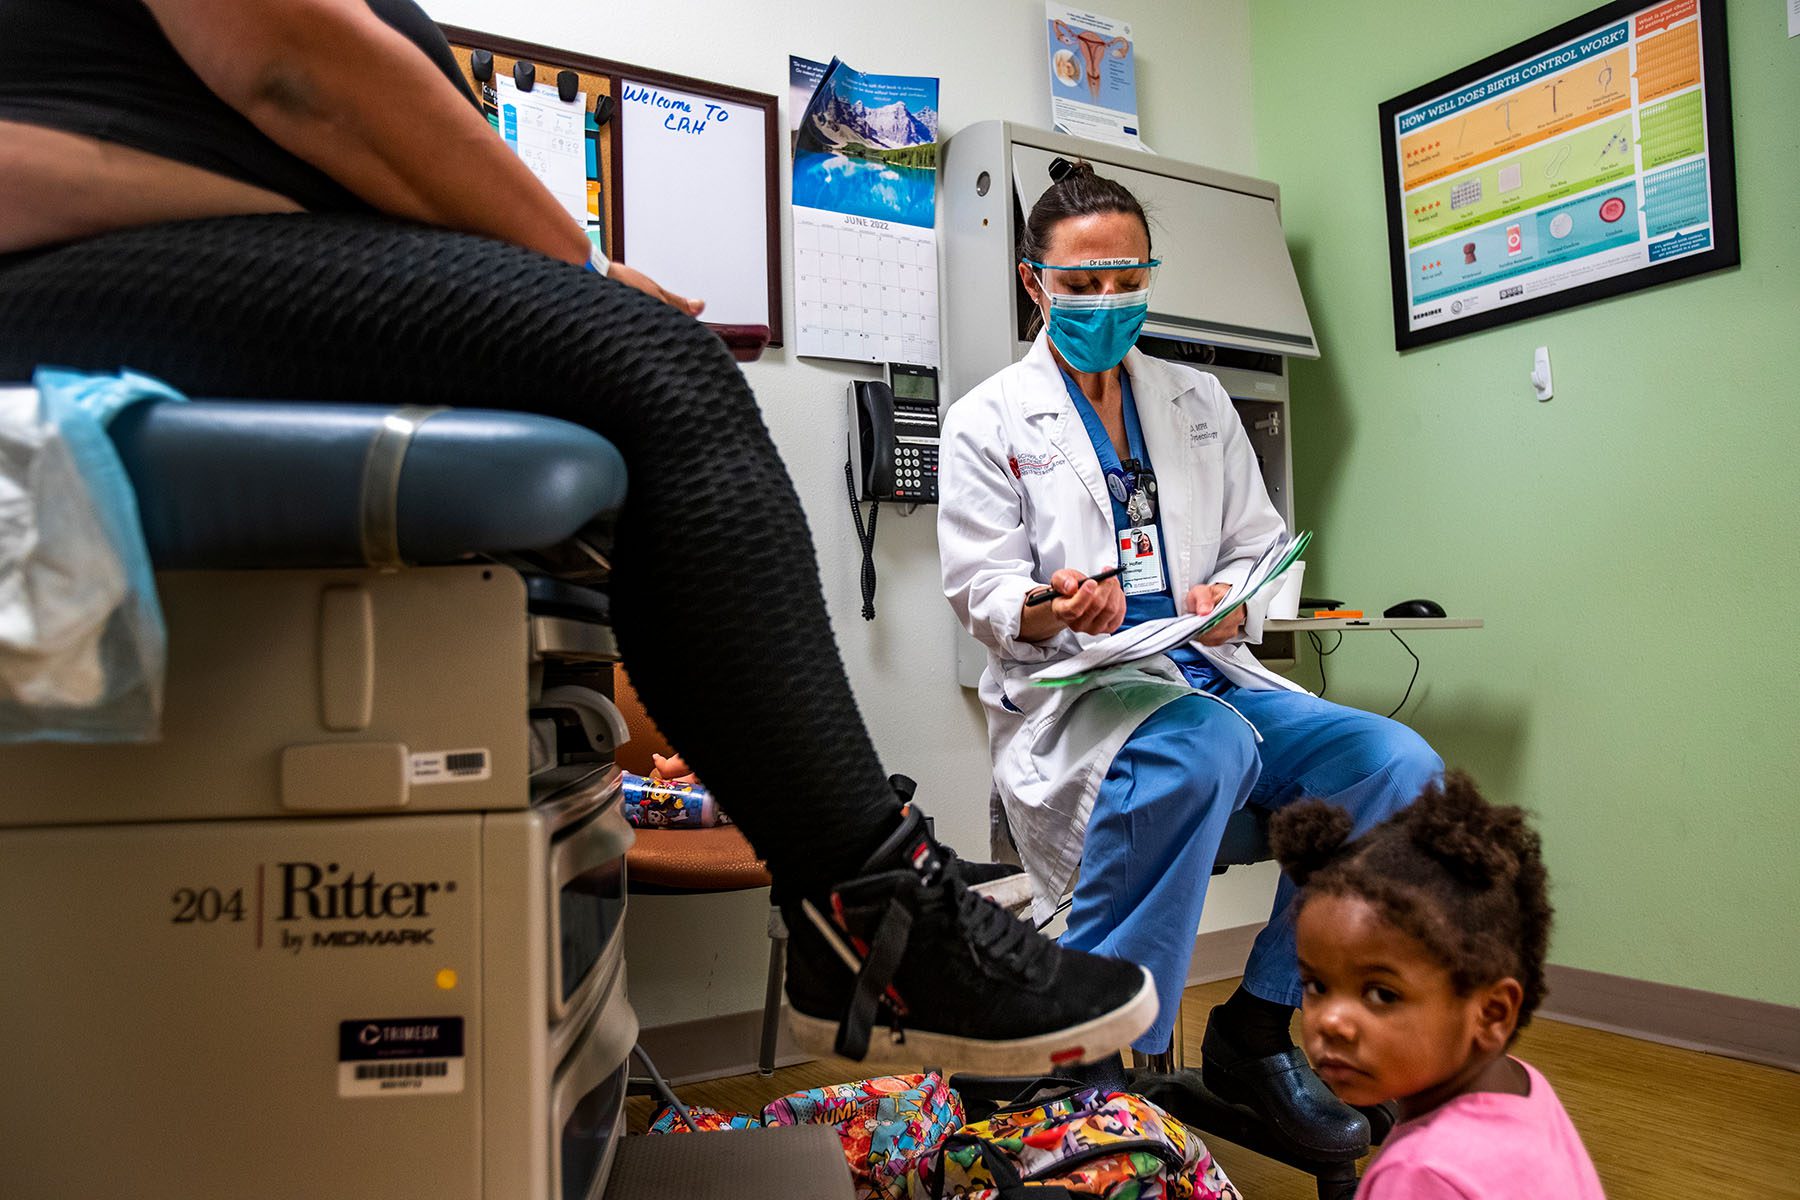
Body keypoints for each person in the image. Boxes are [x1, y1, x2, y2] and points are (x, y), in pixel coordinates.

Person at [0, 0, 1157, 1072]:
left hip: (143, 249)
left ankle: (868, 910)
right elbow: (296, 65)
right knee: (658, 363)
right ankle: (879, 917)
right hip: (66, 254)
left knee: (641, 361)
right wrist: (585, 270)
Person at [938, 162, 1442, 1146]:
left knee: (1400, 768)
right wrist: (1054, 604)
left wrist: (1232, 599)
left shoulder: (1199, 399)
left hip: (1212, 667)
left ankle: (1256, 1026)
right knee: (1205, 746)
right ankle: (1090, 1059)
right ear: (1034, 281)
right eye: (1081, 284)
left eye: (1126, 279)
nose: (1105, 300)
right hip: (1091, 686)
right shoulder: (988, 419)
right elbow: (984, 592)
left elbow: (1259, 540)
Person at [1270, 775, 1605, 1199]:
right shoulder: (1523, 1088)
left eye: (1381, 994)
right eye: (1317, 984)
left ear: (1492, 1013)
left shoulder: (1419, 1174)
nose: (1331, 1021)